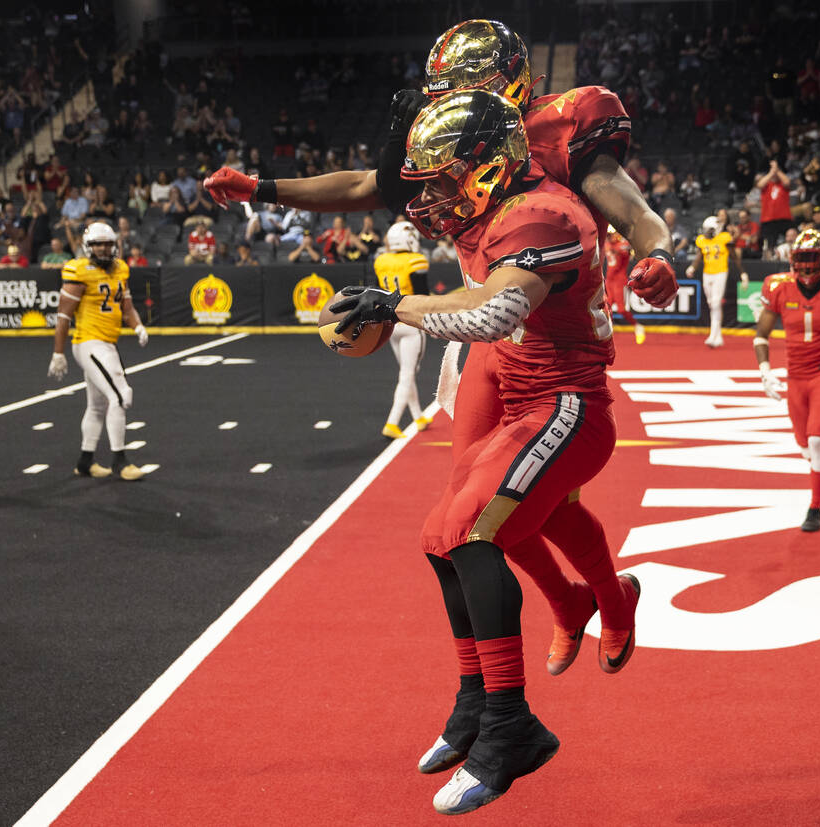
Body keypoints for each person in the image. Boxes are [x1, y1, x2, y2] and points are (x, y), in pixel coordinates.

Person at [202, 18, 667, 685]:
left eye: (463, 84)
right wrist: (264, 189)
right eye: (442, 86)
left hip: (543, 325)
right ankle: (569, 603)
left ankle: (611, 603)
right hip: (484, 326)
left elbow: (623, 200)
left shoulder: (556, 130)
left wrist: (659, 251)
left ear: (506, 79)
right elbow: (373, 186)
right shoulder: (444, 139)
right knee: (470, 501)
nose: (448, 96)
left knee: (547, 494)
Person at [330, 90, 637, 815]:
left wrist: (393, 303)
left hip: (570, 404)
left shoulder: (544, 211)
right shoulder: (492, 209)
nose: (430, 195)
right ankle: (477, 702)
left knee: (473, 530)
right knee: (439, 534)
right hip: (526, 403)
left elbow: (494, 309)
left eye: (441, 177)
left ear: (486, 167)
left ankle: (512, 724)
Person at [753, 229, 820, 532]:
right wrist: (764, 370)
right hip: (796, 375)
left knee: (817, 439)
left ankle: (814, 508)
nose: (806, 265)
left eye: (812, 258)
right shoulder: (778, 287)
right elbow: (761, 336)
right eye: (801, 258)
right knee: (805, 447)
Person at [46, 222, 149, 481]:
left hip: (107, 343)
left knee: (97, 406)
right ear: (87, 246)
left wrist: (138, 327)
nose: (103, 248)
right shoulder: (79, 270)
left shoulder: (121, 269)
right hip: (89, 342)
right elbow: (63, 316)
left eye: (107, 243)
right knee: (121, 395)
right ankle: (120, 460)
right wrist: (58, 353)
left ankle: (85, 461)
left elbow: (127, 307)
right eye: (97, 244)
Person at [373, 221, 432, 438]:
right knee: (407, 373)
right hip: (411, 322)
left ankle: (418, 416)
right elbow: (422, 296)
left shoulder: (381, 261)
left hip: (390, 322)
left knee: (406, 372)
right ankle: (393, 422)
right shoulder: (415, 260)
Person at [688, 216, 739, 348]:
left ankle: (712, 335)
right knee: (712, 304)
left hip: (721, 272)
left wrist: (743, 272)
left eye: (709, 229)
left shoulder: (724, 238)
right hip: (707, 273)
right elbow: (700, 255)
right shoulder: (702, 240)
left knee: (716, 303)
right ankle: (718, 336)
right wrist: (693, 267)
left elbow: (734, 255)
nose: (707, 232)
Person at [604, 225, 645, 344]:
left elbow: (628, 251)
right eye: (607, 235)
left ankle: (637, 326)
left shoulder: (621, 245)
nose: (608, 237)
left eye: (610, 235)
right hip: (609, 280)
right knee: (607, 308)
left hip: (619, 280)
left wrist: (622, 249)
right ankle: (607, 333)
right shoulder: (607, 244)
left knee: (621, 309)